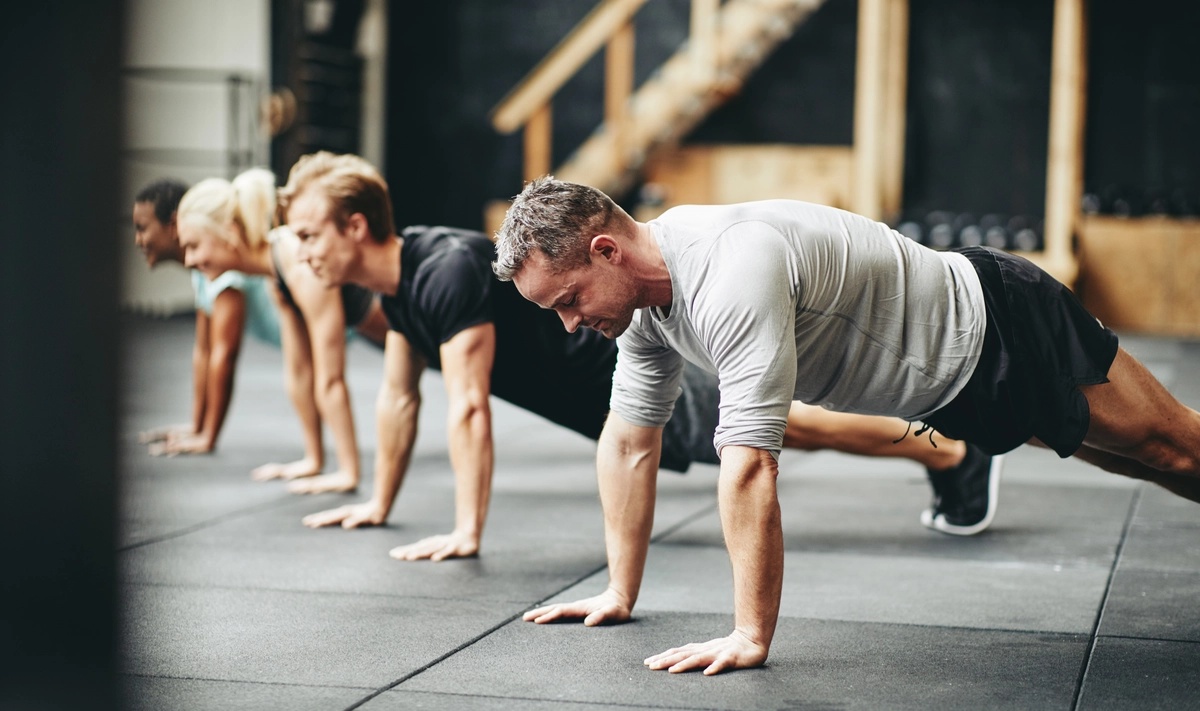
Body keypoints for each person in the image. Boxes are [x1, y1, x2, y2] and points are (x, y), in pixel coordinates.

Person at [493, 177, 1200, 676]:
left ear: (607, 251)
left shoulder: (729, 267)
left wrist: (748, 634)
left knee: (1174, 449)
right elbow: (629, 440)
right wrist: (618, 593)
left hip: (1002, 327)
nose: (571, 324)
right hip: (950, 395)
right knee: (1130, 459)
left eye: (570, 300)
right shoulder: (644, 310)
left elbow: (750, 462)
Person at [279, 152, 1000, 567]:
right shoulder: (402, 290)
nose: (301, 253)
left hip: (626, 358)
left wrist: (467, 531)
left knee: (783, 427)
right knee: (781, 427)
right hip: (588, 391)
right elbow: (399, 398)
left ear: (355, 226)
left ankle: (950, 454)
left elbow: (468, 405)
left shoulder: (442, 272)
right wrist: (378, 504)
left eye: (309, 234)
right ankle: (946, 452)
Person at [174, 168, 390, 494]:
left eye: (194, 246)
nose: (189, 260)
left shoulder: (301, 267)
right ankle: (315, 456)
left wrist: (348, 473)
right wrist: (312, 460)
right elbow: (300, 371)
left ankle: (347, 467)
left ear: (229, 233)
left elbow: (331, 379)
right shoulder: (277, 269)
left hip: (407, 323)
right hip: (378, 329)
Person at [133, 178, 281, 457]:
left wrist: (208, 438)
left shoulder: (222, 269)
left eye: (142, 228)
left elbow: (224, 354)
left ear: (173, 224)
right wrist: (196, 426)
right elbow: (204, 350)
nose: (137, 240)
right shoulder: (203, 271)